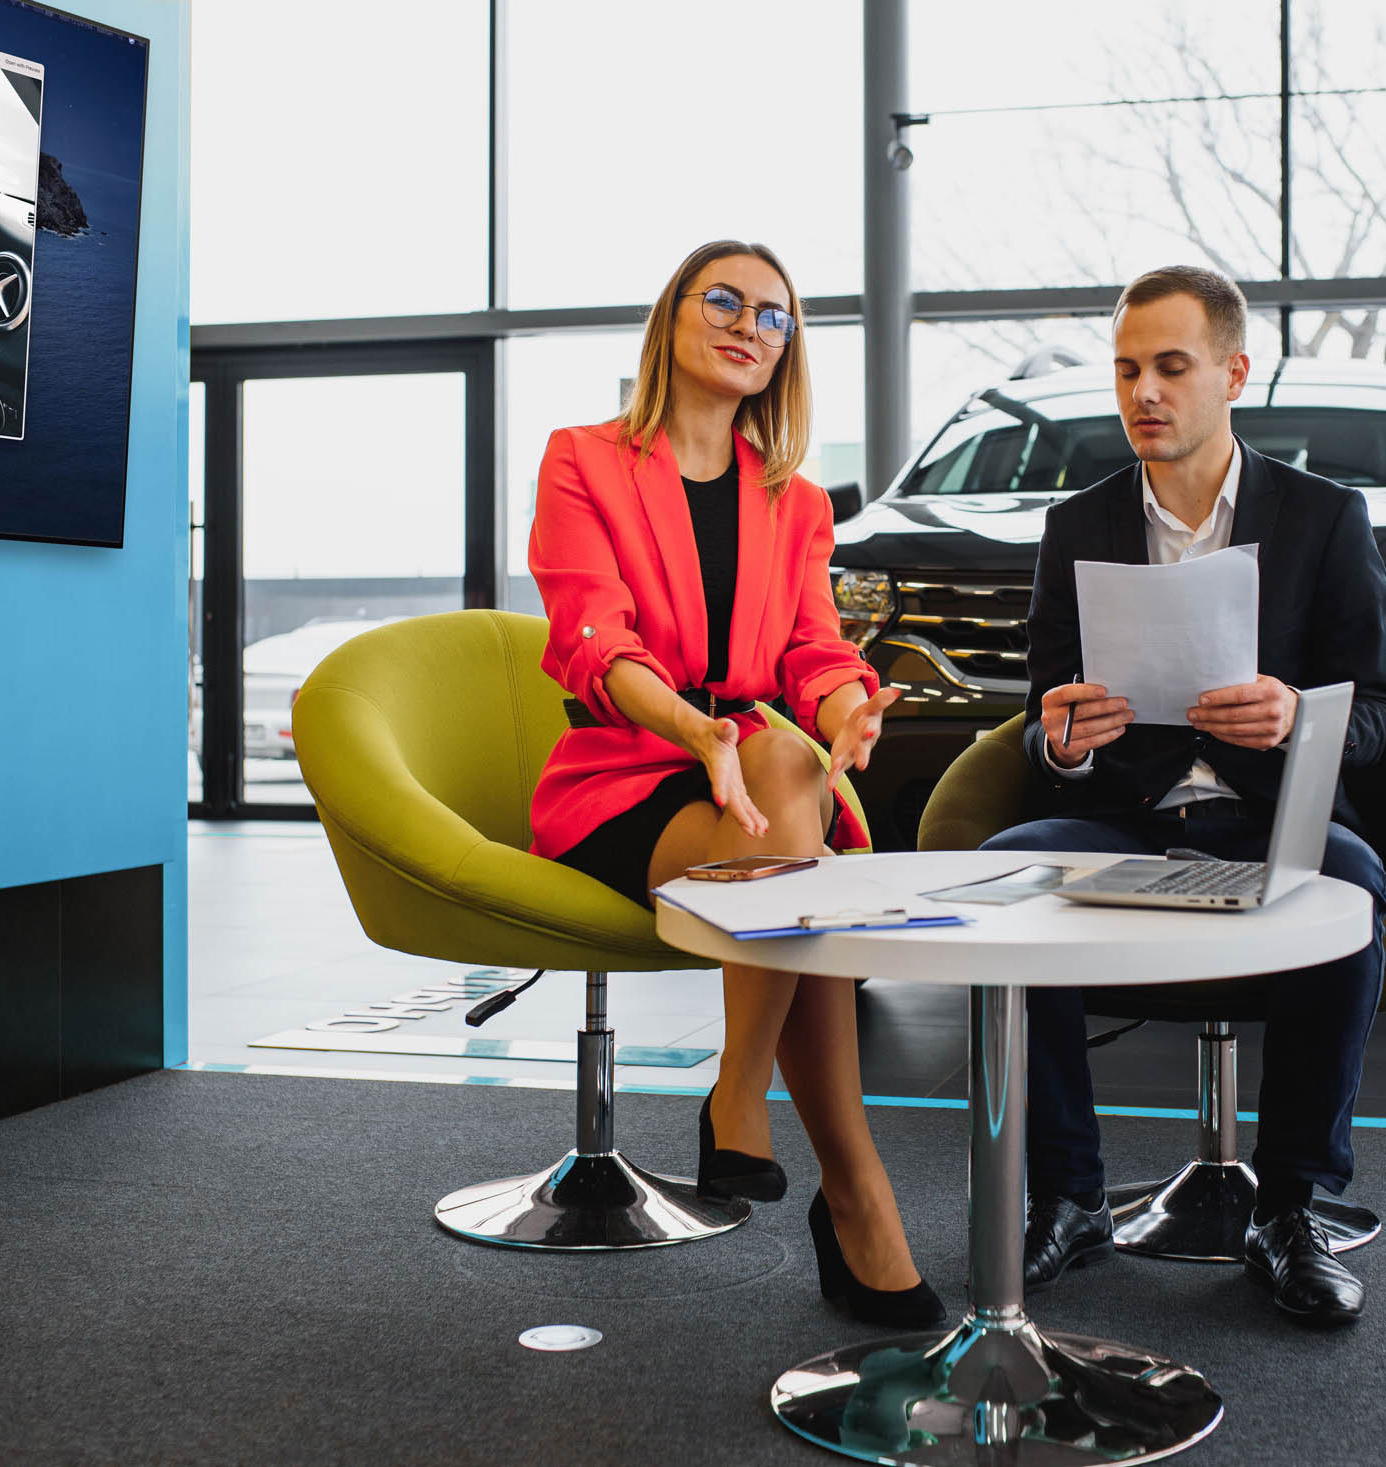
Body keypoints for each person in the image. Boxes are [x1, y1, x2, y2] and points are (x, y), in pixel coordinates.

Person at [526, 239, 941, 1328]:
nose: (748, 326)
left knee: (786, 777)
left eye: (773, 317)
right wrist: (692, 728)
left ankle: (746, 1100)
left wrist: (850, 704)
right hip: (628, 776)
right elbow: (590, 639)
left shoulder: (795, 503)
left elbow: (810, 651)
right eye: (725, 300)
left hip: (760, 790)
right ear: (673, 315)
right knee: (793, 839)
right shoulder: (583, 458)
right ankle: (845, 1194)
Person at [984, 264, 1386, 1326]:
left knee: (1351, 882)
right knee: (1006, 868)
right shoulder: (1076, 525)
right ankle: (1067, 1195)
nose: (1142, 392)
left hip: (1268, 817)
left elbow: (1379, 709)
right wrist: (1060, 740)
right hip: (1126, 813)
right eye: (1126, 369)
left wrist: (1300, 715)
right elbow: (1040, 719)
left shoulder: (1324, 519)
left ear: (1232, 373)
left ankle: (1291, 1207)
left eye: (1170, 366)